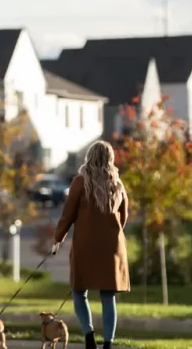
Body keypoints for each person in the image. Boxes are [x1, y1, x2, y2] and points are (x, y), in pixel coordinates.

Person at [51, 140, 130, 349]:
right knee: (107, 294)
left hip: (85, 244)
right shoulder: (117, 183)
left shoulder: (80, 181)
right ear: (110, 158)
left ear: (90, 156)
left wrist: (58, 239)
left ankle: (88, 336)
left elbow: (67, 215)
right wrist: (112, 234)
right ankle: (108, 344)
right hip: (112, 246)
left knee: (79, 290)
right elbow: (123, 217)